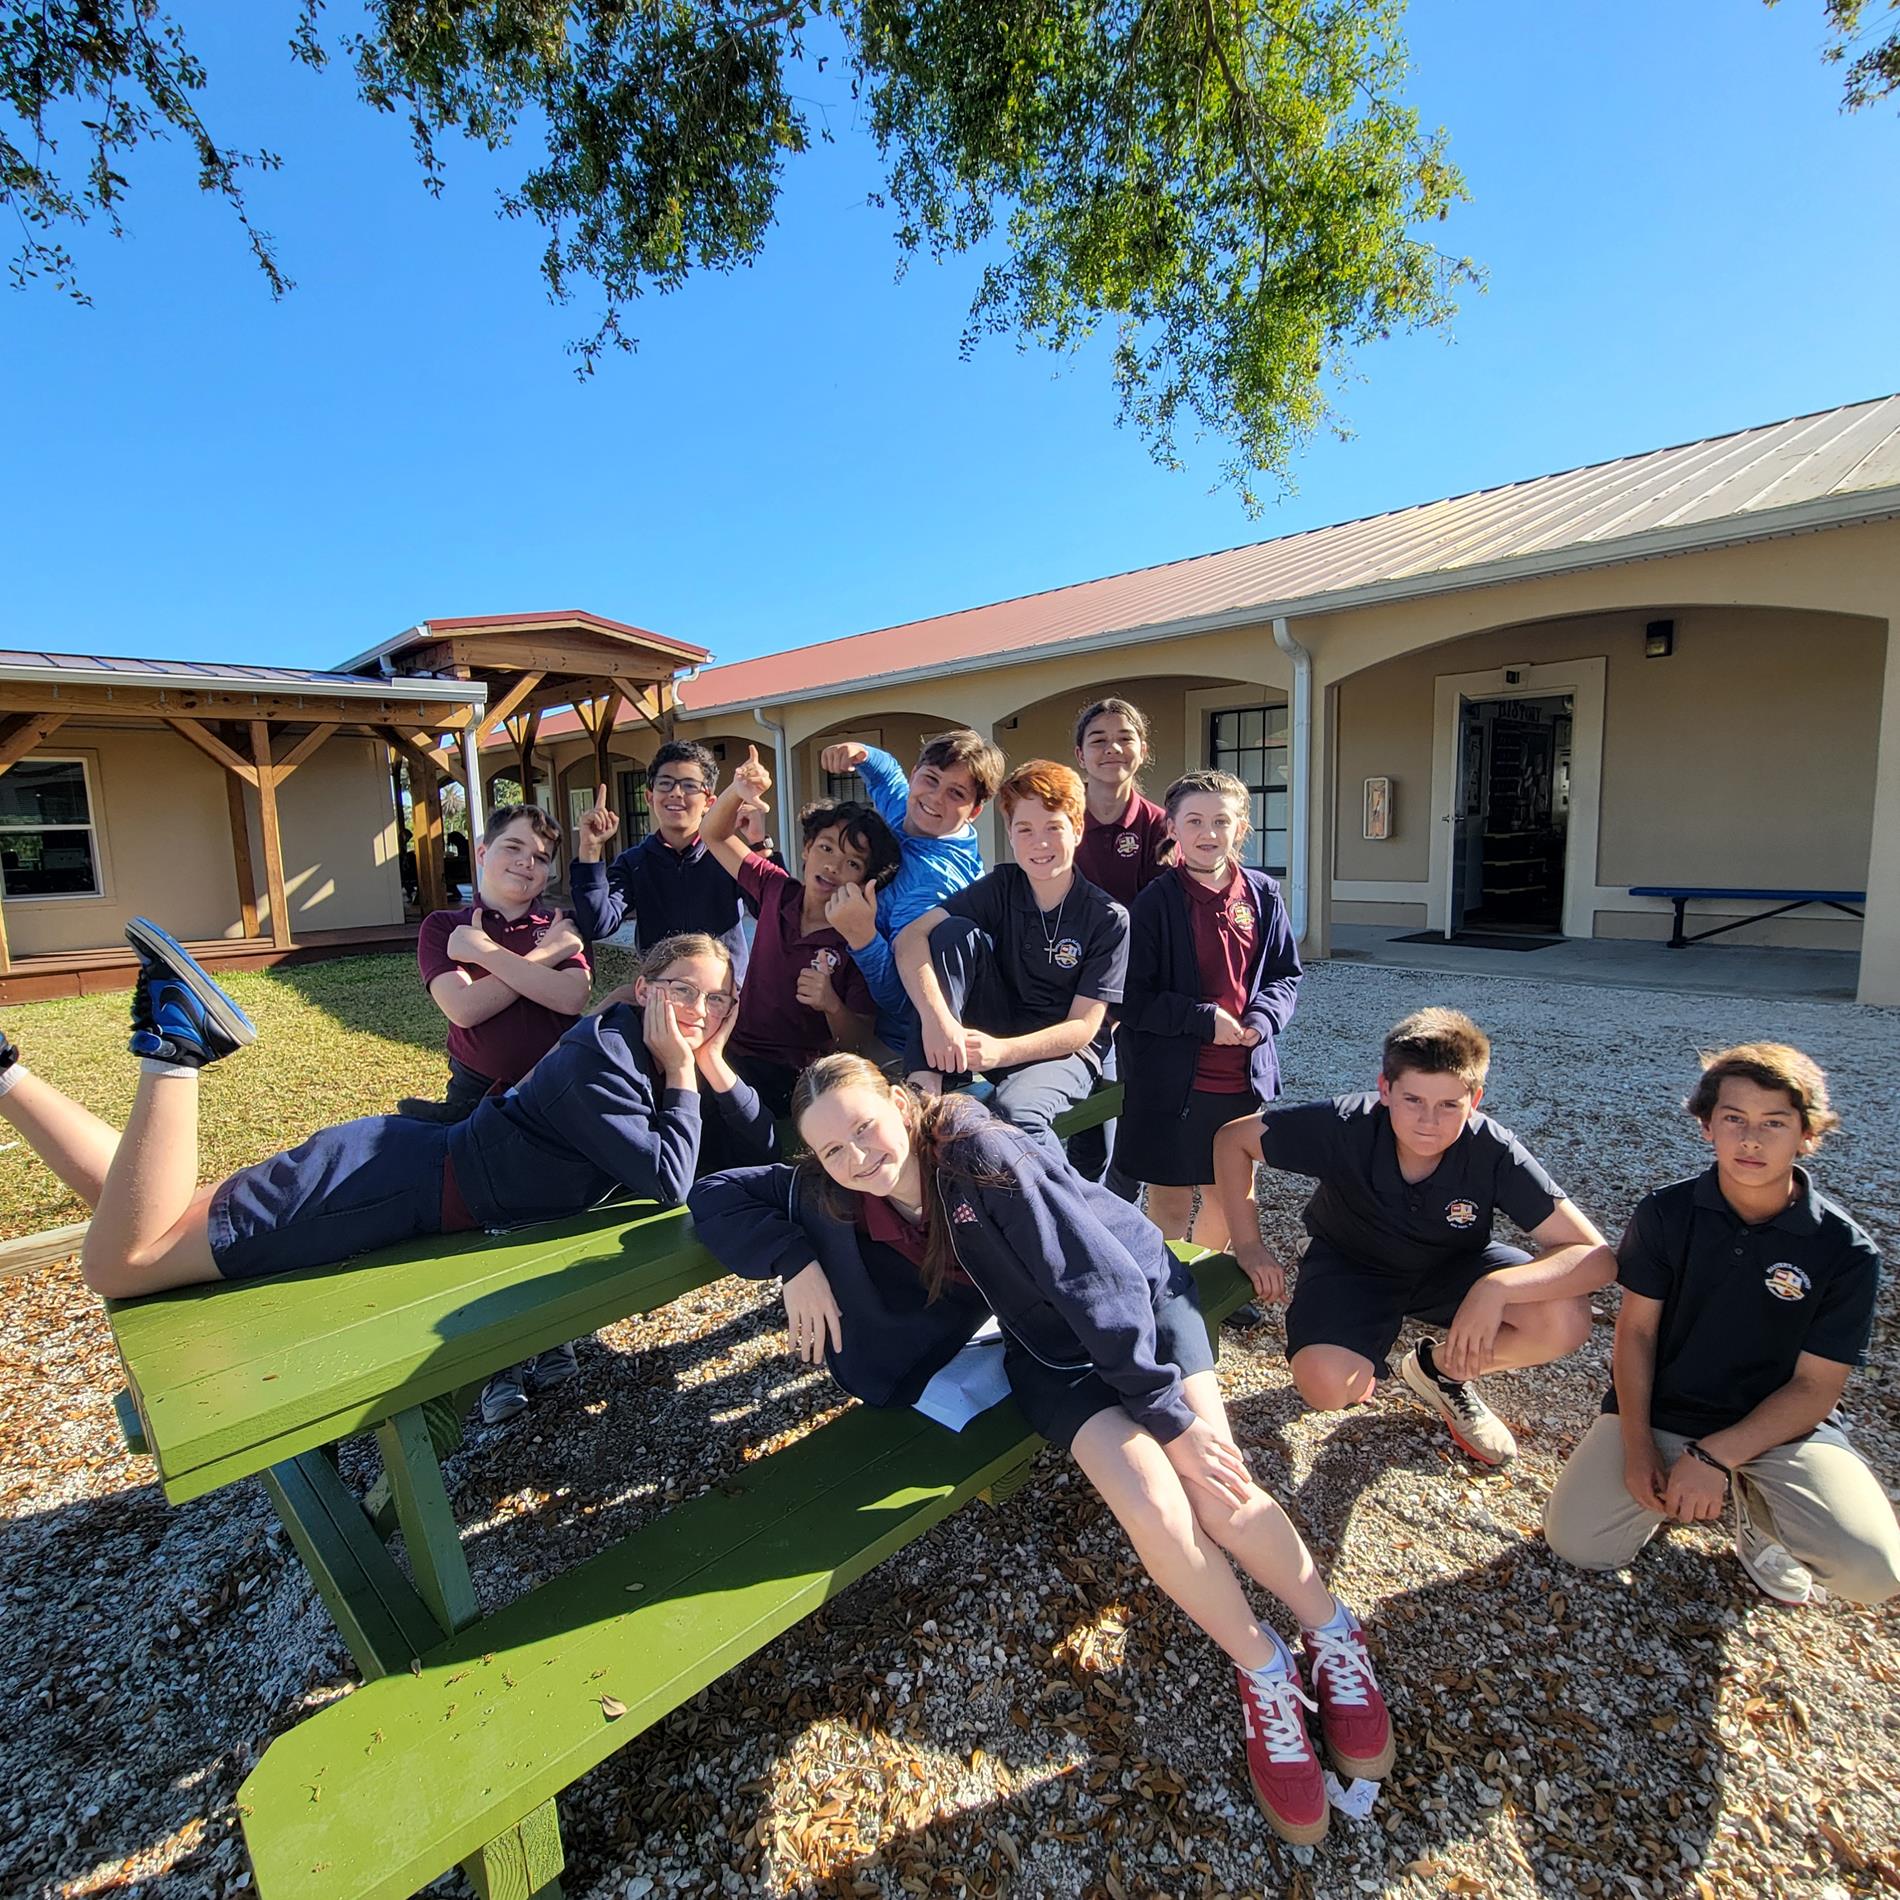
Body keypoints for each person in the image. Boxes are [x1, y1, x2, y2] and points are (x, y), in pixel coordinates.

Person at [689, 1055, 1394, 1843]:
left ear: (900, 1105)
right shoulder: (840, 1192)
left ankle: (1332, 1631)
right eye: (831, 1149)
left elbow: (1095, 1281)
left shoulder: (977, 1152)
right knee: (1152, 1504)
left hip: (1137, 1309)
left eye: (864, 1127)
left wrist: (1170, 1417)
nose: (856, 1156)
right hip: (1047, 1350)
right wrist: (793, 1261)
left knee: (1215, 1485)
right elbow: (712, 1194)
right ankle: (1265, 1668)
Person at [0, 923, 771, 1307]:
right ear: (644, 990)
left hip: (397, 1171)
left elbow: (761, 1142)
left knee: (149, 1212)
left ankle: (4, 1074)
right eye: (682, 990)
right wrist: (683, 1070)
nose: (698, 1010)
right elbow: (670, 1180)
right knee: (119, 1265)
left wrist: (710, 1064)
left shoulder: (650, 1052)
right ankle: (176, 1046)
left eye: (717, 999)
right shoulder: (600, 1060)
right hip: (385, 1189)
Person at [1543, 1044, 1899, 1606]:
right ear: (1707, 1126)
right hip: (1666, 1410)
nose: (1751, 1140)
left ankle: (1760, 1516)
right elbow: (1636, 1334)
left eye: (1774, 1123)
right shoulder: (1666, 1213)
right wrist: (1639, 1446)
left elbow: (1816, 1388)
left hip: (1781, 1429)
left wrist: (1714, 1457)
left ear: (1807, 1134)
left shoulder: (1846, 1250)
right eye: (1734, 1119)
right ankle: (1677, 1488)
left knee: (1873, 1572)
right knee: (1579, 1543)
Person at [1212, 1008, 1610, 1468]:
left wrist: (1496, 1289)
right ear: (1385, 1089)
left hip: (1453, 1267)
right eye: (1413, 1099)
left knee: (1565, 1317)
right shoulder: (1345, 1124)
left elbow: (1596, 1257)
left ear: (1475, 1100)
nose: (1428, 1121)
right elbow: (1233, 1140)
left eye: (1449, 1105)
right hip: (1353, 1263)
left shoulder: (1493, 1149)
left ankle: (1439, 1370)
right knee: (1326, 1388)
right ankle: (1357, 1350)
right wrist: (1249, 1245)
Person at [893, 760, 1127, 1152]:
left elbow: (1083, 1027)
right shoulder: (1002, 885)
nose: (1040, 842)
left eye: (1053, 827)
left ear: (1077, 830)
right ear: (1010, 835)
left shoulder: (1106, 917)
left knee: (1014, 1114)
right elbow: (909, 938)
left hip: (1065, 1051)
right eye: (1025, 829)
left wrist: (1001, 1052)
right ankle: (925, 1082)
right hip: (1000, 1027)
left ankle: (1054, 1193)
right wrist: (938, 1023)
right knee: (951, 933)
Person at [1113, 769, 1300, 1253]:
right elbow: (1132, 999)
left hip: (1239, 1080)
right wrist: (1201, 1019)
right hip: (1171, 1083)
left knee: (1229, 1196)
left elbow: (1284, 975)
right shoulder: (1154, 904)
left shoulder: (1263, 894)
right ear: (1172, 827)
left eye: (1221, 821)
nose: (1208, 833)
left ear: (1241, 828)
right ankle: (1166, 1286)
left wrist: (1263, 1018)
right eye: (1194, 821)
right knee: (1171, 1201)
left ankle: (1206, 1278)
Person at [699, 743, 899, 1117]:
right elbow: (713, 834)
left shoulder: (857, 941)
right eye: (826, 848)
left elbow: (858, 1042)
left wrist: (831, 1004)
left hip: (796, 1076)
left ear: (864, 880)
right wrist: (738, 791)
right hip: (732, 1048)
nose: (833, 866)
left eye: (852, 863)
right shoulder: (776, 888)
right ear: (807, 849)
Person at [398, 804, 590, 1125]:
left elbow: (571, 997)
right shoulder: (445, 926)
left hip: (557, 1085)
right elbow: (464, 1008)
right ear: (482, 853)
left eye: (541, 857)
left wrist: (484, 953)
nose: (526, 862)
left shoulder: (561, 923)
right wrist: (547, 954)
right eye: (513, 847)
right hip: (475, 1092)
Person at [816, 730, 1003, 1052]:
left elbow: (903, 1000)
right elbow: (886, 775)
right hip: (848, 1004)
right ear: (915, 774)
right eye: (931, 779)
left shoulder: (934, 883)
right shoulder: (910, 813)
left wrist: (862, 937)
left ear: (974, 811)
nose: (936, 798)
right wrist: (861, 752)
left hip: (899, 1048)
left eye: (956, 793)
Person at [1067, 696, 1172, 1197]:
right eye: (1098, 740)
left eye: (1124, 738)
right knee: (1084, 1115)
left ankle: (1123, 1209)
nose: (1112, 748)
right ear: (1080, 754)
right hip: (1071, 989)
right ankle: (1078, 1203)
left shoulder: (1160, 827)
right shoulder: (1062, 821)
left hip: (1137, 992)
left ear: (1142, 750)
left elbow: (1164, 920)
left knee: (1132, 1106)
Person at [568, 741, 752, 979]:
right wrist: (590, 850)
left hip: (724, 989)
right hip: (660, 990)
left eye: (689, 785)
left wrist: (759, 844)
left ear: (709, 802)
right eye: (665, 783)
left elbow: (773, 908)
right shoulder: (634, 863)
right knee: (612, 1005)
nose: (676, 793)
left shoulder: (727, 855)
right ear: (649, 796)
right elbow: (598, 924)